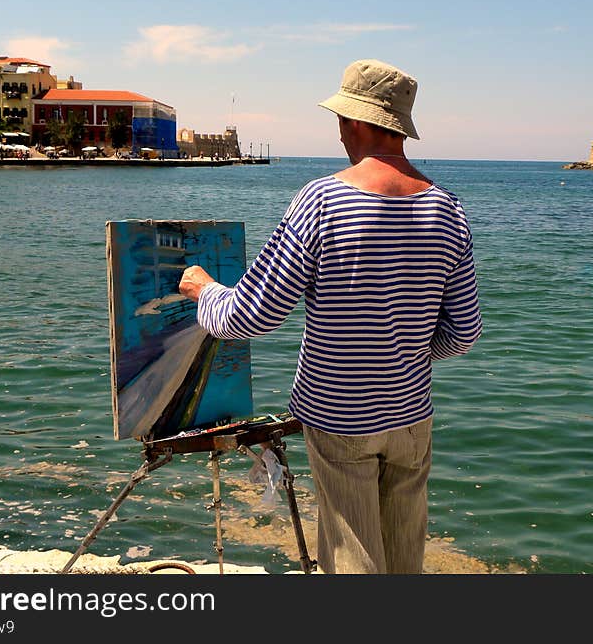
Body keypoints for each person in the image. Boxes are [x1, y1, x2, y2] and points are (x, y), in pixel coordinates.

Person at [179, 58, 482, 573]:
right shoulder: (447, 209)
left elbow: (251, 315)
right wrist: (402, 350)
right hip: (411, 417)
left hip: (340, 416)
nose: (339, 132)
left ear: (359, 123)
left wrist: (203, 290)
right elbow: (463, 334)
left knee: (352, 558)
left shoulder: (324, 200)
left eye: (341, 119)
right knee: (405, 553)